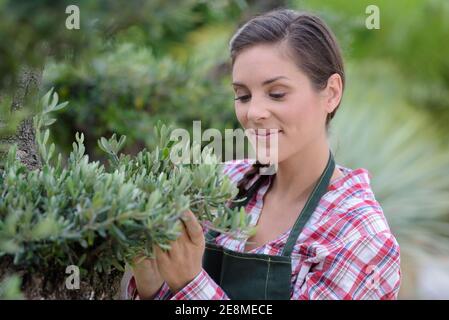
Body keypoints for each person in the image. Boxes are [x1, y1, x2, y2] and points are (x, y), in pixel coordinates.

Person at [122, 8, 401, 300]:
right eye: (242, 95)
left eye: (277, 93)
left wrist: (190, 285)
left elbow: (189, 289)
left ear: (331, 93)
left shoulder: (359, 237)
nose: (253, 113)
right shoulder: (222, 183)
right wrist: (153, 286)